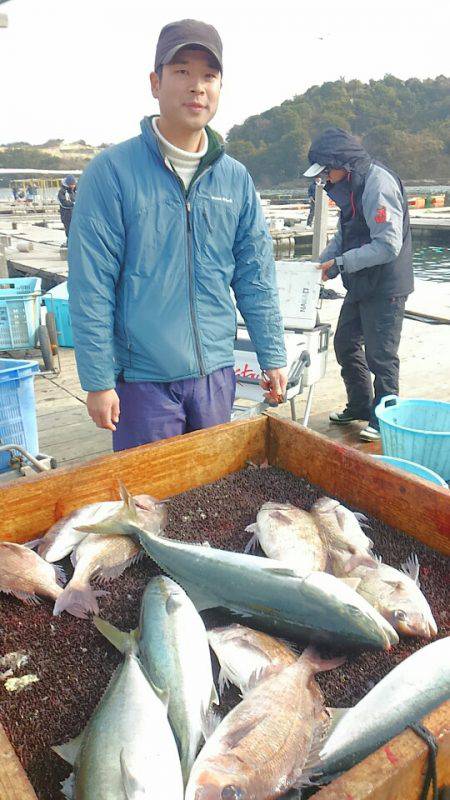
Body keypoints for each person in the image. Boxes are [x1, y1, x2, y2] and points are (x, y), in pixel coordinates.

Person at [68, 18, 287, 451]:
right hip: (142, 381)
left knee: (214, 487)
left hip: (216, 375)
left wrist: (272, 354)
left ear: (220, 87)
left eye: (209, 75)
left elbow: (255, 276)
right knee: (149, 490)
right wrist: (97, 380)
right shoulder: (112, 172)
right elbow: (91, 284)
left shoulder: (235, 179)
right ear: (156, 82)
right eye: (182, 71)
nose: (197, 87)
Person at [304, 127, 413, 442]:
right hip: (361, 282)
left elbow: (388, 245)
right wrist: (320, 264)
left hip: (387, 285)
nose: (325, 178)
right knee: (345, 342)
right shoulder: (348, 186)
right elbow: (345, 233)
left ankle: (385, 418)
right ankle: (360, 405)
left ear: (342, 163)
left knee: (381, 355)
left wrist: (340, 264)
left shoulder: (377, 183)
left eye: (327, 171)